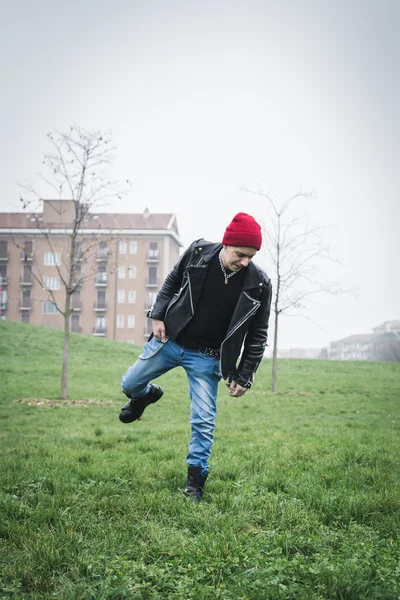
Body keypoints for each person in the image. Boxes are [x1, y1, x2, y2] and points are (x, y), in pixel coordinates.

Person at [119, 212, 272, 501]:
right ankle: (145, 396)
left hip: (208, 357)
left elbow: (258, 334)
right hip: (171, 341)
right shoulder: (198, 252)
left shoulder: (259, 283)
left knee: (203, 420)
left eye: (251, 257)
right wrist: (158, 315)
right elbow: (171, 282)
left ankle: (195, 483)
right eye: (240, 254)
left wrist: (244, 375)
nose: (245, 262)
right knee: (128, 384)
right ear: (226, 244)